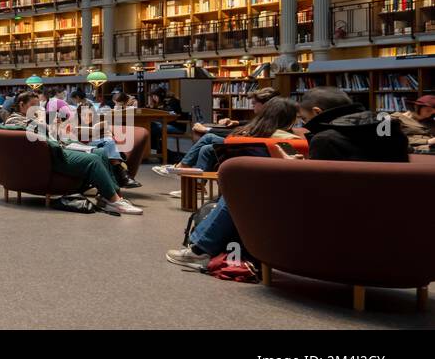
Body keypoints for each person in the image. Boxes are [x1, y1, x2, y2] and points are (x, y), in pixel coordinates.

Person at [166, 87, 409, 270]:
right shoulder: (389, 130)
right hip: (393, 224)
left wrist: (287, 169)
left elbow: (319, 192)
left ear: (317, 112)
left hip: (336, 223)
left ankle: (200, 248)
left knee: (245, 189)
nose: (304, 123)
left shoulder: (327, 139)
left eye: (303, 118)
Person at [3, 90, 142, 214]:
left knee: (100, 152)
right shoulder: (15, 119)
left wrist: (50, 125)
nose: (38, 108)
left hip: (57, 147)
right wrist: (44, 123)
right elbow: (30, 132)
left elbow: (47, 133)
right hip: (53, 155)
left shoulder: (31, 118)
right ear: (22, 105)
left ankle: (112, 197)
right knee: (93, 159)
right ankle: (115, 202)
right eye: (34, 105)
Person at [154, 94, 297, 178]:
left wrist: (208, 129)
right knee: (207, 148)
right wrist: (237, 122)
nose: (252, 107)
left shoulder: (266, 129)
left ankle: (180, 167)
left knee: (208, 139)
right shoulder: (283, 133)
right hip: (252, 154)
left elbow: (235, 136)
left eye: (254, 104)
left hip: (245, 153)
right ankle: (195, 184)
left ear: (267, 109)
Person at [192, 87, 278, 138]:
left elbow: (237, 134)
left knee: (208, 139)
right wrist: (235, 122)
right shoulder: (270, 118)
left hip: (246, 145)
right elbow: (252, 123)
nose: (252, 105)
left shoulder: (270, 122)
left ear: (266, 104)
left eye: (254, 103)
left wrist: (206, 130)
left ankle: (183, 166)